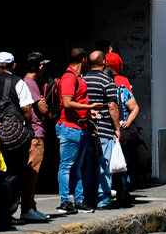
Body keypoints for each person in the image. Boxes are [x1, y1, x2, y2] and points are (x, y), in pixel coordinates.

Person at [0, 52, 34, 229]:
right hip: (14, 136)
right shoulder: (19, 82)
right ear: (13, 65)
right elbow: (27, 108)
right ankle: (8, 214)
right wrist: (26, 127)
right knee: (13, 173)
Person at [55, 48, 103, 214]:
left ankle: (79, 200)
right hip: (70, 128)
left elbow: (76, 102)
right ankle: (65, 201)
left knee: (76, 167)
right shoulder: (69, 77)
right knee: (66, 166)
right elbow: (67, 103)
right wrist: (90, 106)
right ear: (83, 60)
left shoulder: (77, 77)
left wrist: (89, 112)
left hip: (79, 128)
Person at [82, 51, 121, 210]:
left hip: (87, 128)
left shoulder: (83, 80)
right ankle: (103, 200)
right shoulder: (107, 81)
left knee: (89, 165)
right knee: (103, 165)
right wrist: (117, 128)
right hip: (104, 129)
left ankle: (88, 198)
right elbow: (112, 106)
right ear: (104, 62)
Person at [20, 52, 50, 223]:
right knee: (32, 172)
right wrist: (44, 104)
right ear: (39, 67)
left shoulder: (27, 82)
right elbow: (43, 109)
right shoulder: (30, 84)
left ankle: (31, 206)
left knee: (31, 172)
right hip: (35, 133)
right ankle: (27, 208)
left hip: (33, 132)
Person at [106, 52, 138, 205]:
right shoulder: (123, 84)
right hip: (120, 130)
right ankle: (122, 192)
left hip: (106, 130)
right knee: (122, 162)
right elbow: (134, 106)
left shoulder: (101, 85)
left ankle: (107, 193)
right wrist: (127, 122)